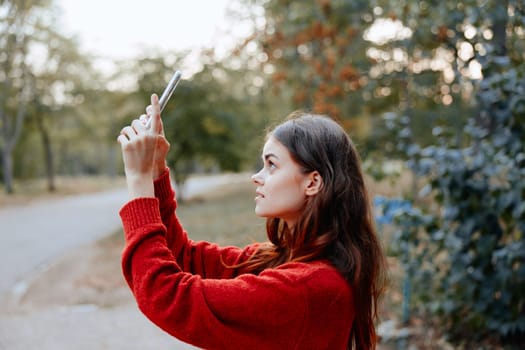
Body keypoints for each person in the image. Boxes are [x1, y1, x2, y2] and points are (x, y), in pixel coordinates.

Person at [117, 93, 388, 350]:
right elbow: (185, 258)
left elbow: (166, 296)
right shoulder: (290, 260)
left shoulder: (307, 287)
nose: (256, 177)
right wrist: (155, 172)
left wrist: (138, 180)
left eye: (272, 165)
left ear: (313, 182)